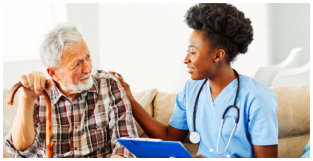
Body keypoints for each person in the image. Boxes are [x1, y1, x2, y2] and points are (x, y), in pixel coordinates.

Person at [111, 3, 278, 158]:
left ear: (218, 55)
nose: (185, 59)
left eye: (192, 52)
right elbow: (169, 137)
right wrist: (130, 99)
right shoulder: (192, 89)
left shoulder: (258, 97)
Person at [5, 24, 138, 158]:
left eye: (88, 57)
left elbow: (126, 147)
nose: (88, 69)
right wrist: (27, 100)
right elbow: (21, 151)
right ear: (53, 73)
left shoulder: (108, 84)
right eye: (76, 64)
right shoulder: (38, 93)